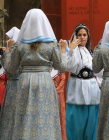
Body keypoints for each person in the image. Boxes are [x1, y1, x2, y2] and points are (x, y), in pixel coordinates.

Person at [0, 9, 67, 140]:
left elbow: (11, 68)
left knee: (25, 117)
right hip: (45, 82)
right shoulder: (52, 45)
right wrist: (63, 51)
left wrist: (8, 51)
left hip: (25, 82)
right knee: (45, 117)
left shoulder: (19, 46)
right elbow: (62, 66)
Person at [66, 24, 100, 140]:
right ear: (75, 36)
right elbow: (70, 67)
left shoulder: (90, 52)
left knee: (91, 120)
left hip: (91, 88)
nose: (82, 37)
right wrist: (71, 50)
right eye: (79, 35)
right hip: (77, 87)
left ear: (88, 36)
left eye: (84, 35)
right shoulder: (73, 50)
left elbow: (96, 70)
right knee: (77, 120)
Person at [0, 27, 20, 139]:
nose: (7, 42)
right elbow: (5, 67)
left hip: (18, 86)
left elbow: (12, 69)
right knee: (8, 115)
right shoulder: (10, 50)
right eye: (6, 39)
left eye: (9, 39)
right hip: (10, 87)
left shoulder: (20, 51)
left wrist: (10, 51)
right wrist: (4, 54)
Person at [51, 68, 67, 140]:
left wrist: (55, 91)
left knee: (60, 116)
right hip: (47, 95)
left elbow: (63, 80)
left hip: (58, 96)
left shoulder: (59, 69)